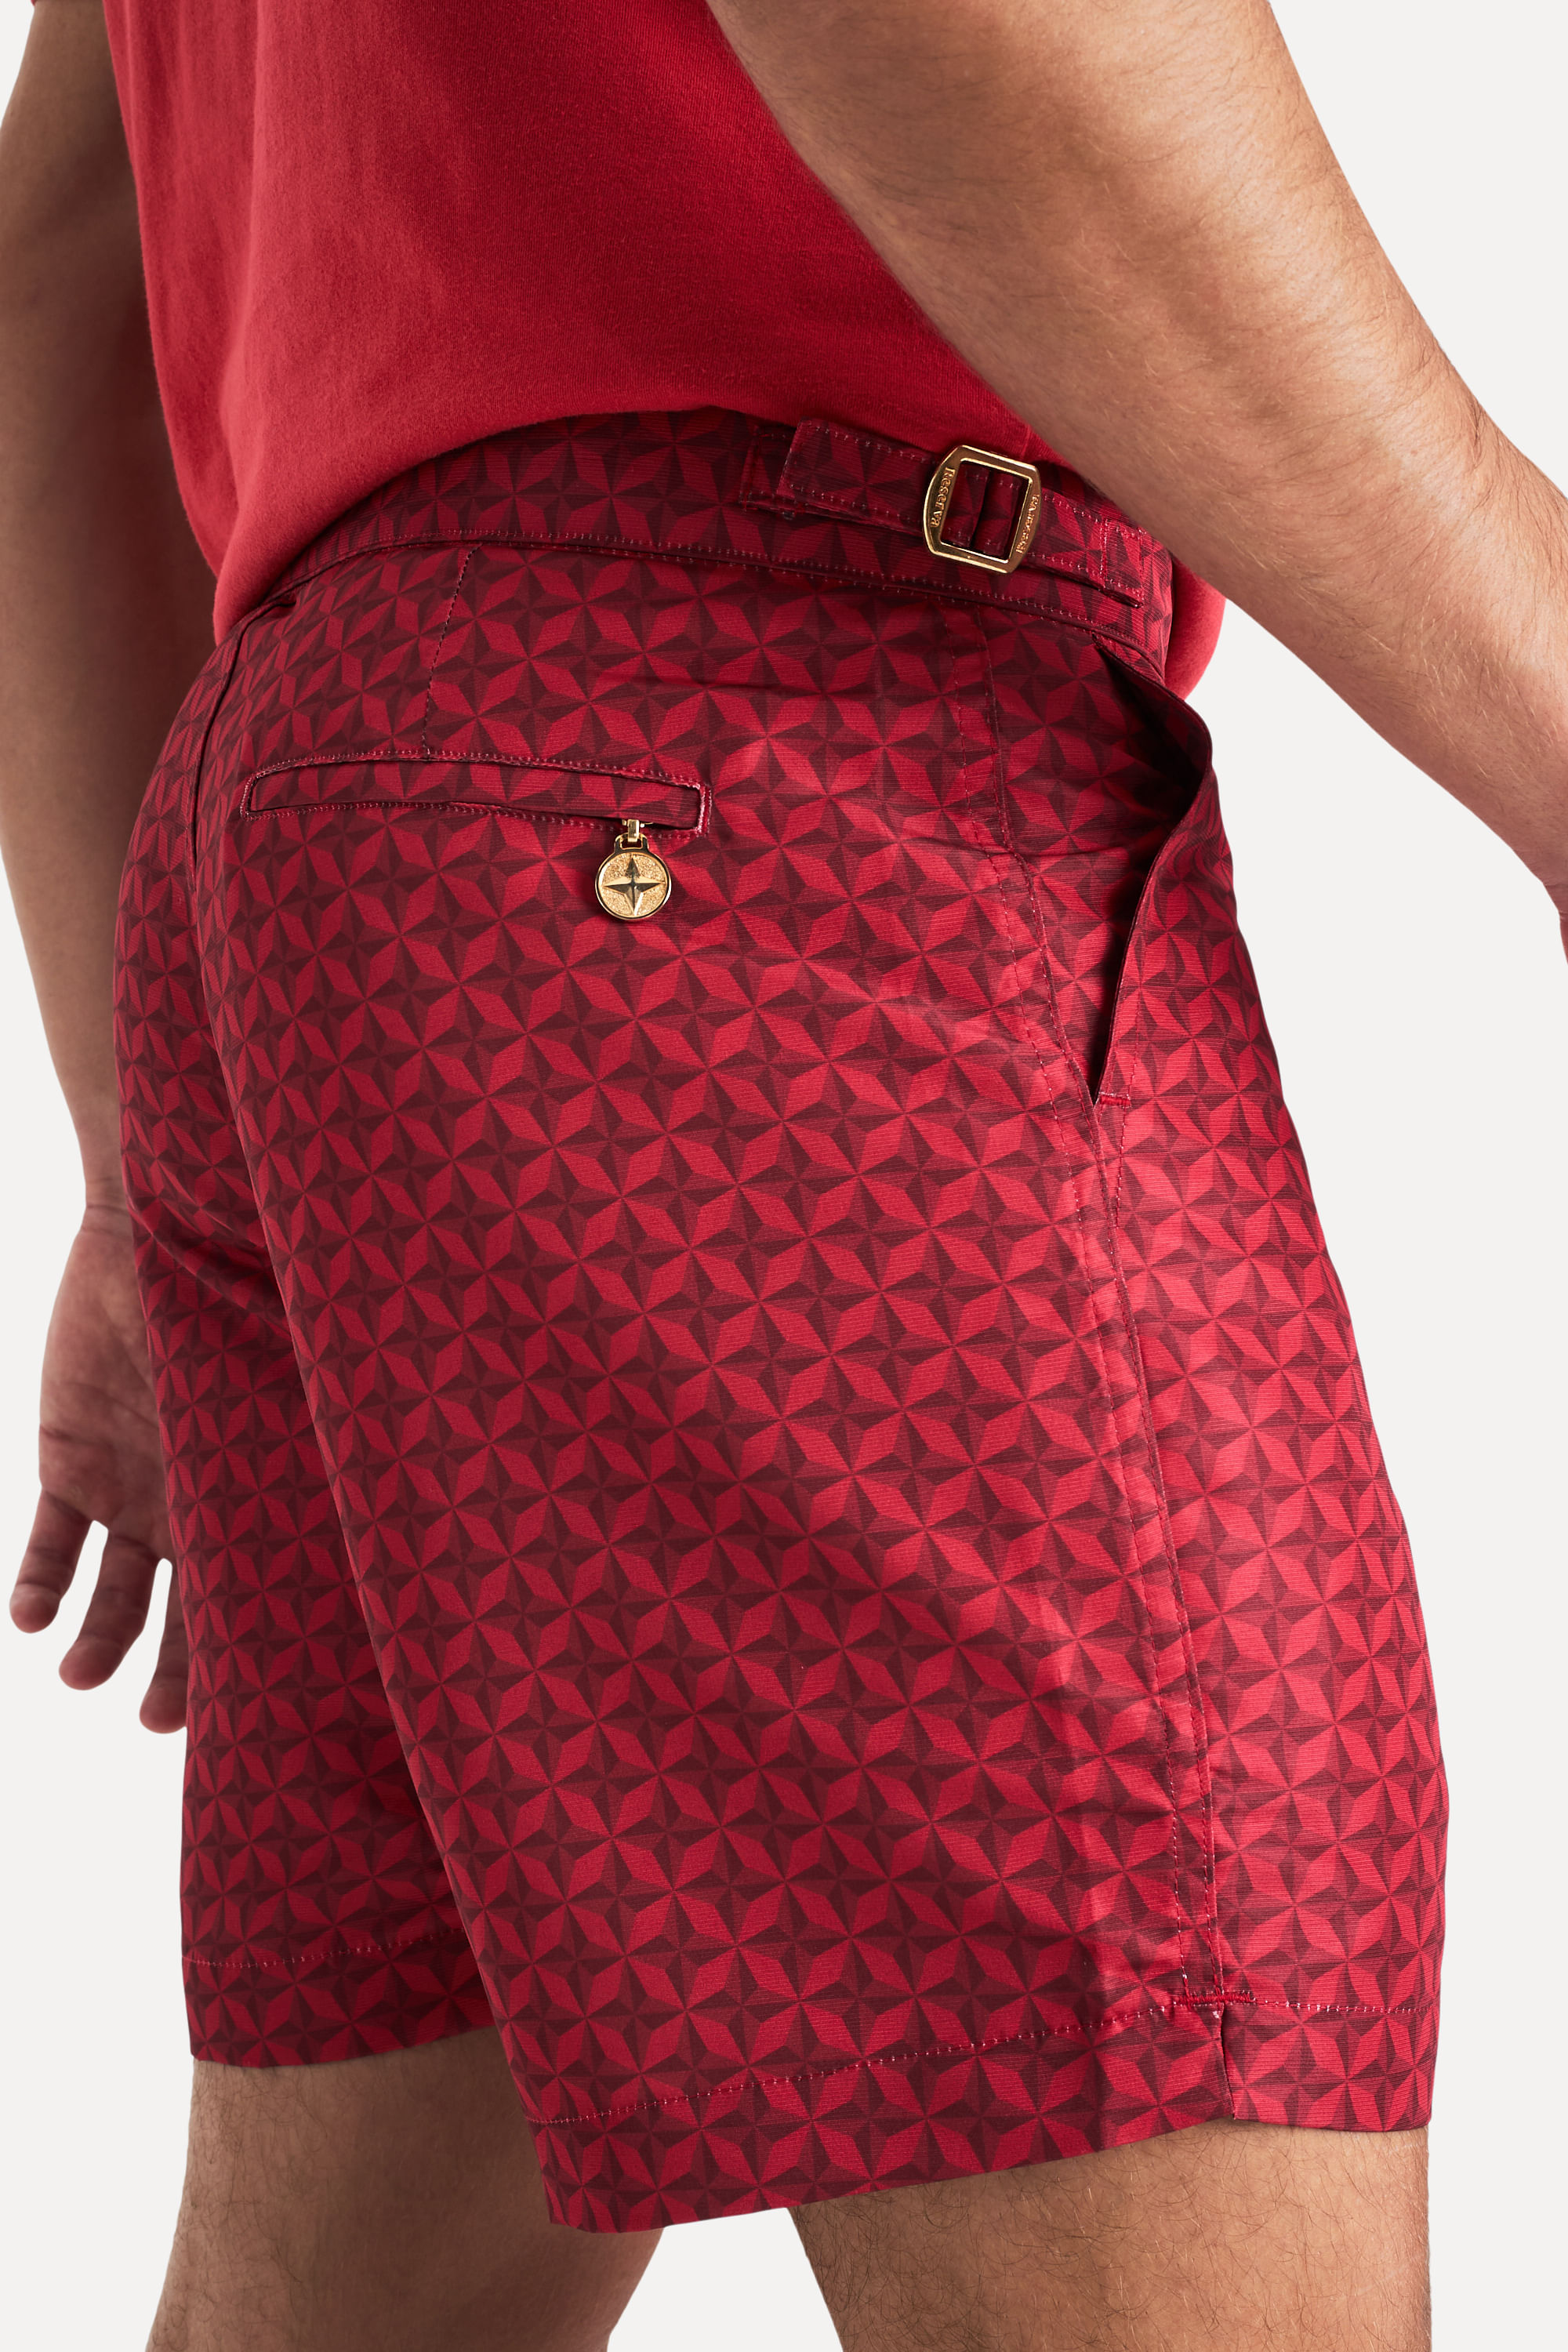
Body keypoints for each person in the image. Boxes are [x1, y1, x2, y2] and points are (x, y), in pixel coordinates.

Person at [2, 2, 1559, 2346]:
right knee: (1205, 2004)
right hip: (754, 789)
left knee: (387, 2276)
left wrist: (162, 1185)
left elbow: (55, 266)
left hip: (359, 818)